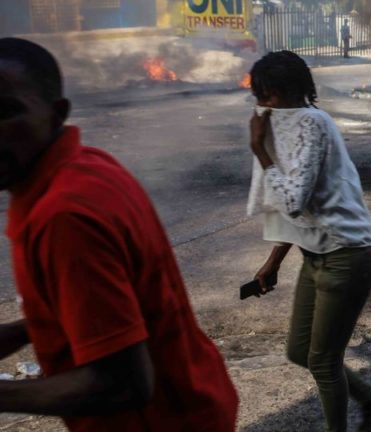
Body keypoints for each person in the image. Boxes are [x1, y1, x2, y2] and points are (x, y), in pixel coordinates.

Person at [0, 38, 238, 431]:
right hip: (195, 398)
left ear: (57, 114)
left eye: (7, 112)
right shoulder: (86, 165)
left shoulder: (64, 216)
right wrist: (31, 327)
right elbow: (108, 300)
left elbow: (122, 383)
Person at [246, 51, 371, 432]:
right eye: (257, 97)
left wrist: (260, 151)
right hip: (317, 256)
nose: (261, 106)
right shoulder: (292, 125)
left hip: (347, 255)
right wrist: (273, 262)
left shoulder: (312, 123)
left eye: (267, 96)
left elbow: (294, 201)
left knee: (323, 362)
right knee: (300, 351)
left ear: (288, 92)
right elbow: (304, 209)